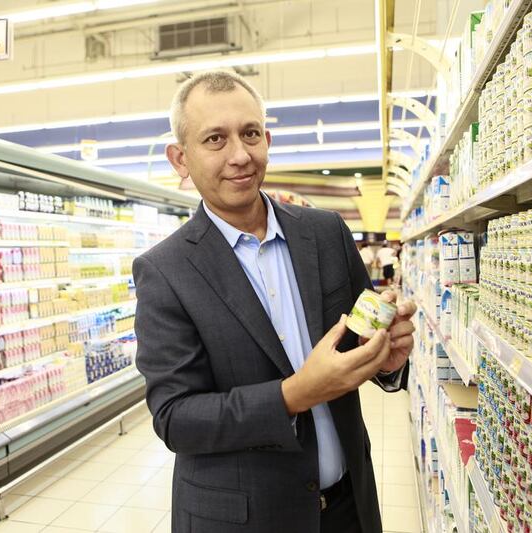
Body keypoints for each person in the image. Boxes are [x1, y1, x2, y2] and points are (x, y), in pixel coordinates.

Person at [133, 70, 416, 533]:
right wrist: (293, 396)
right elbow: (175, 418)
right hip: (247, 519)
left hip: (349, 506)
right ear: (180, 159)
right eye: (215, 139)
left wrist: (385, 359)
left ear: (267, 137)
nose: (240, 155)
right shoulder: (164, 272)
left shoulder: (325, 233)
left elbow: (356, 343)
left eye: (249, 134)